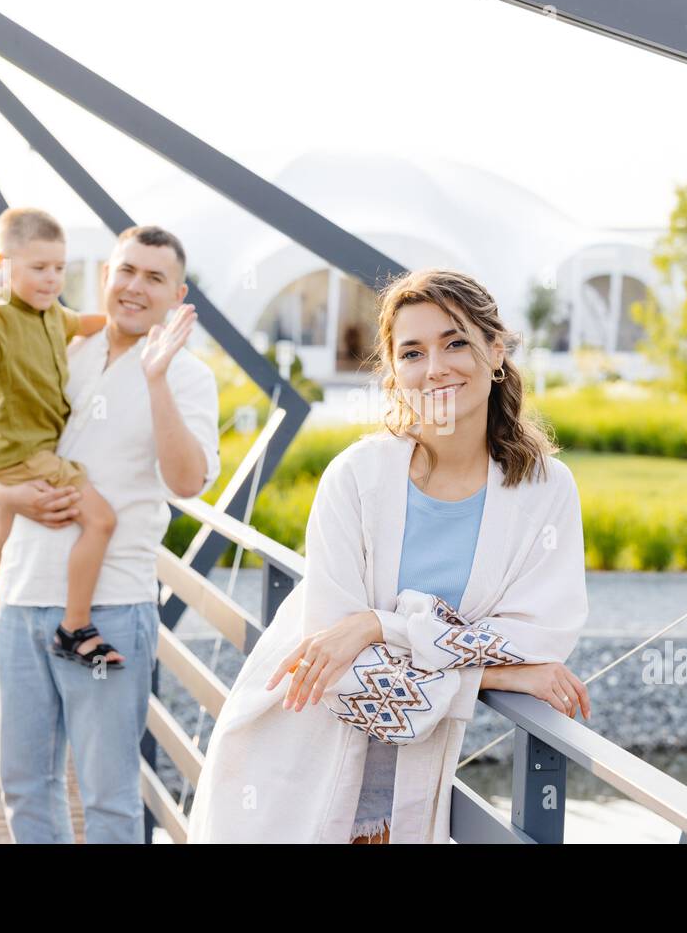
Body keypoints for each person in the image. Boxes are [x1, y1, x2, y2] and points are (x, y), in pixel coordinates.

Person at [188, 268, 590, 844]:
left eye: (456, 342)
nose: (436, 368)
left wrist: (377, 624)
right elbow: (340, 674)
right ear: (394, 373)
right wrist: (487, 676)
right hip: (287, 765)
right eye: (412, 352)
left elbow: (541, 637)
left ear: (495, 350)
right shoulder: (356, 477)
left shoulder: (545, 489)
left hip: (401, 801)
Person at [0, 225, 221, 843]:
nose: (135, 286)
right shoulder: (55, 338)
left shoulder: (188, 377)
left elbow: (188, 482)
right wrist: (6, 493)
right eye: (126, 270)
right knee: (25, 785)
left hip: (109, 607)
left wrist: (155, 381)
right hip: (20, 598)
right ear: (106, 275)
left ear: (177, 294)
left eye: (154, 277)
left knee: (108, 799)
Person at [0, 207, 121, 669]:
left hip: (15, 451)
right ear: (5, 266)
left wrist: (120, 322)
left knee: (3, 530)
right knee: (101, 521)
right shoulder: (2, 317)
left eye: (58, 268)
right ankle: (75, 626)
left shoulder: (53, 315)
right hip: (25, 452)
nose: (51, 279)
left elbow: (83, 323)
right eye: (39, 268)